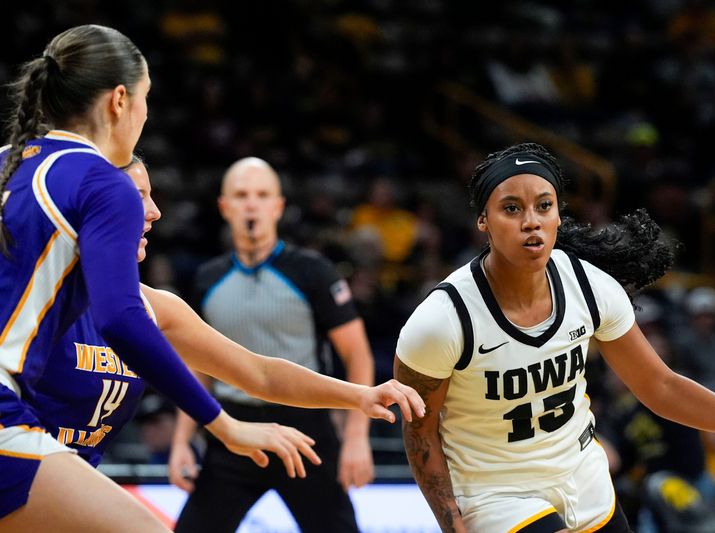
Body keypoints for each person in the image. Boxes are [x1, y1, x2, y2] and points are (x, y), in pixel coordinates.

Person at [0, 25, 313, 532]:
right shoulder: (103, 180)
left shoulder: (8, 166)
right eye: (147, 99)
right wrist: (223, 423)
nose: (147, 115)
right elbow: (121, 318)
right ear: (120, 100)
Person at [394, 142, 715, 533]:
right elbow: (421, 433)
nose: (531, 221)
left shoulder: (589, 286)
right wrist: (454, 527)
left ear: (558, 217)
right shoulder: (441, 320)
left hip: (584, 480)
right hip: (496, 495)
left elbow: (661, 386)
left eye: (544, 206)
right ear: (483, 220)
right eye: (511, 208)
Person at [29, 157, 424, 468]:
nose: (154, 211)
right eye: (138, 195)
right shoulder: (34, 294)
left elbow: (259, 373)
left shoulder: (158, 307)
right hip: (21, 466)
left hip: (76, 474)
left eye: (152, 196)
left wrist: (361, 396)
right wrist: (220, 430)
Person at [169, 157, 378, 533]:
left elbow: (357, 355)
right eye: (242, 195)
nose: (252, 204)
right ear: (224, 206)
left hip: (307, 429)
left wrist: (356, 438)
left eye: (263, 195)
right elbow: (197, 369)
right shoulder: (206, 278)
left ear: (278, 206)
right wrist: (182, 440)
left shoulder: (313, 271)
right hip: (232, 428)